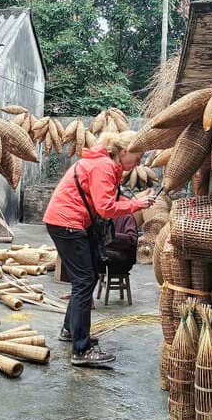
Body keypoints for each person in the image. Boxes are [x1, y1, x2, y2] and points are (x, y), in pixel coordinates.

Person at [44, 131, 155, 367]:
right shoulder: (104, 165)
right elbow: (105, 209)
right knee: (85, 280)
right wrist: (137, 204)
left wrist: (136, 201)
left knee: (86, 279)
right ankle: (81, 350)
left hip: (66, 222)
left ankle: (70, 331)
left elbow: (100, 200)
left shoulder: (104, 164)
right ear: (123, 151)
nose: (139, 162)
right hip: (68, 223)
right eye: (138, 156)